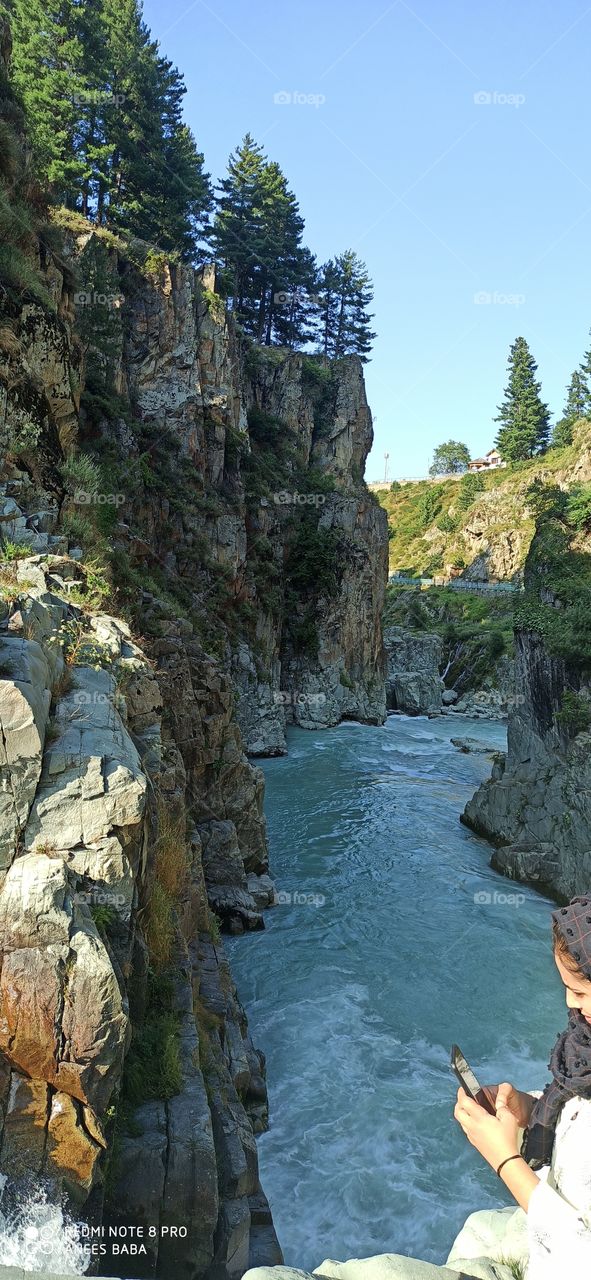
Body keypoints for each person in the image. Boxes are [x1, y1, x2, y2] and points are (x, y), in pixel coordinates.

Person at [242, 894, 591, 1280]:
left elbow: (581, 1253)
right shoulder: (582, 1051)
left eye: (580, 991)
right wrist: (530, 1108)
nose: (570, 1004)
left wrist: (505, 1160)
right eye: (567, 987)